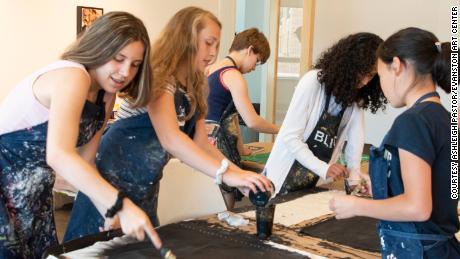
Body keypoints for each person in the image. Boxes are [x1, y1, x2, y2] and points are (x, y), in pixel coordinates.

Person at [64, 6, 273, 242]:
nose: (213, 52)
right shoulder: (160, 77)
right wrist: (226, 176)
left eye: (216, 45)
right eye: (208, 43)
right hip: (108, 180)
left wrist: (241, 175)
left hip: (146, 183)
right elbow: (171, 139)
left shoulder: (197, 84)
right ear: (186, 38)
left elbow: (202, 144)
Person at [0, 12, 162, 258]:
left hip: (34, 191)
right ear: (99, 47)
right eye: (118, 59)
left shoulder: (106, 95)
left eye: (135, 64)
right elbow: (60, 155)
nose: (125, 72)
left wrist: (108, 211)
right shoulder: (72, 76)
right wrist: (121, 204)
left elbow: (86, 161)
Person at [329, 27, 460, 258]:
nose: (380, 86)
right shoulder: (441, 118)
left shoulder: (413, 121)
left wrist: (355, 206)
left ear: (397, 66)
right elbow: (435, 187)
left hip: (420, 251)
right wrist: (384, 184)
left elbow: (418, 207)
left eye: (380, 75)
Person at [265, 32, 387, 195]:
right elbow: (290, 137)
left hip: (316, 183)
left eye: (371, 76)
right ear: (350, 65)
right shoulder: (312, 82)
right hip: (283, 177)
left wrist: (354, 178)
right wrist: (325, 168)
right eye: (363, 73)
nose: (365, 81)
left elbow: (355, 143)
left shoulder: (355, 99)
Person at [205, 28, 280, 208]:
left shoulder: (211, 69)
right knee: (225, 205)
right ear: (249, 50)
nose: (254, 67)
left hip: (204, 143)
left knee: (209, 202)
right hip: (219, 144)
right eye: (257, 60)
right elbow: (252, 121)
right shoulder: (233, 75)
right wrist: (282, 130)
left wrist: (242, 149)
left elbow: (230, 117)